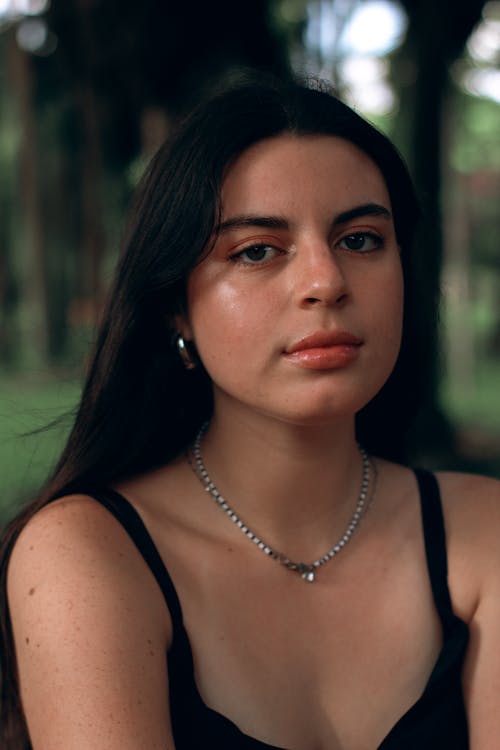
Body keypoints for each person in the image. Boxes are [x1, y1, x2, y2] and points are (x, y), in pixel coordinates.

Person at [0, 74, 499, 750]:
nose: (326, 281)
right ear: (177, 307)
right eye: (256, 251)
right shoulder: (92, 555)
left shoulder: (484, 538)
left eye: (360, 239)